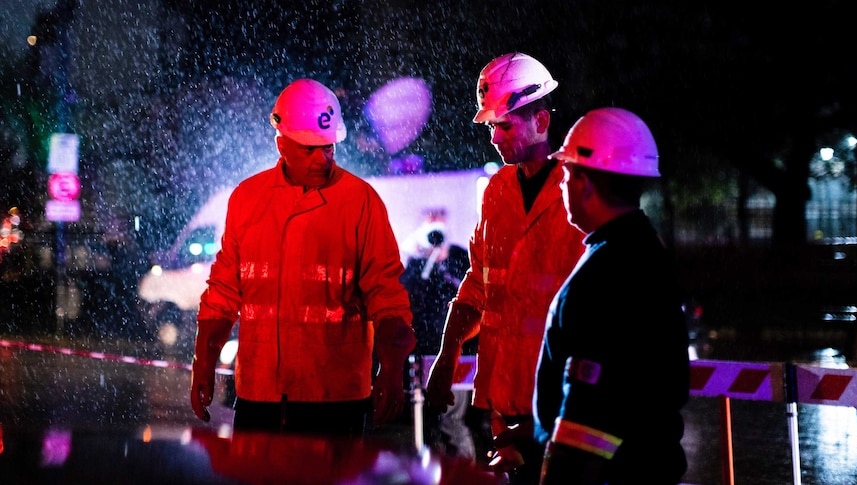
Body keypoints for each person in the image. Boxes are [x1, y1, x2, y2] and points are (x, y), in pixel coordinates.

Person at [189, 79, 416, 439]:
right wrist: (203, 362)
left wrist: (392, 368)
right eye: (309, 149)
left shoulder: (361, 202)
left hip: (336, 401)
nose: (322, 159)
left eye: (328, 148)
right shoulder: (247, 200)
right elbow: (222, 294)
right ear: (281, 144)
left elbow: (387, 296)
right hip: (259, 395)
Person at [426, 52, 585, 484]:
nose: (494, 138)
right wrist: (447, 354)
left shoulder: (579, 195)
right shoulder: (495, 192)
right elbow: (478, 286)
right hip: (503, 404)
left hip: (563, 406)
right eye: (492, 126)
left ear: (542, 121)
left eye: (505, 125)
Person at [531, 107, 690, 483]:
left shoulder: (603, 274)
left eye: (567, 172)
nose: (561, 183)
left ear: (584, 182)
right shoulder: (648, 254)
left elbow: (588, 421)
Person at [399, 220, 475, 458]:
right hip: (425, 351)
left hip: (456, 353)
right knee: (428, 422)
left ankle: (464, 473)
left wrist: (442, 263)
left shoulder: (458, 264)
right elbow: (407, 295)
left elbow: (467, 297)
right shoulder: (417, 270)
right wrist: (417, 256)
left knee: (451, 420)